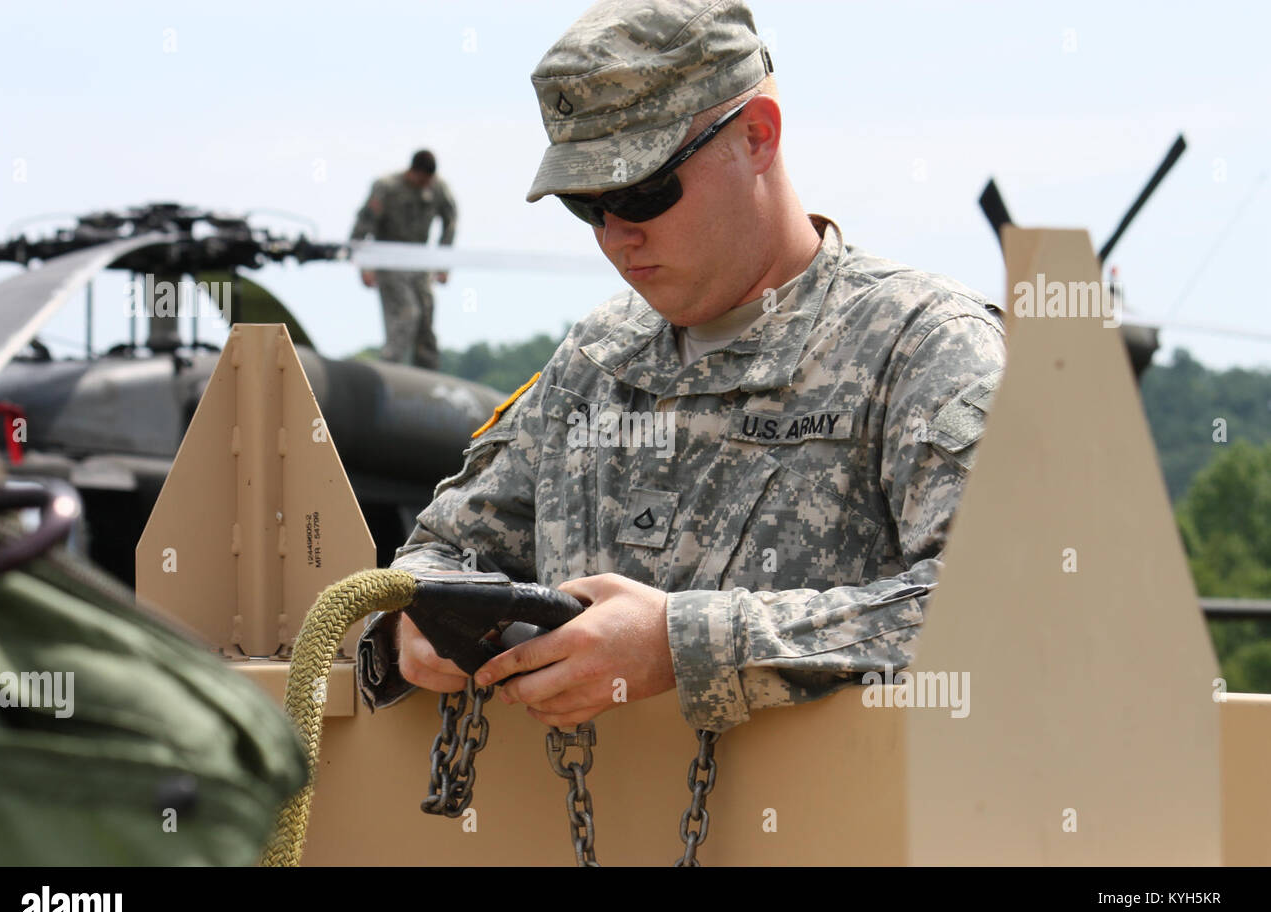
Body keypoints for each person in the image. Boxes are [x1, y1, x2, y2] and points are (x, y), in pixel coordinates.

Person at [357, 0, 1007, 735]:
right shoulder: (595, 360)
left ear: (757, 136)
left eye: (643, 191)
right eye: (587, 206)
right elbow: (439, 552)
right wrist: (420, 623)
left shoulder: (922, 348)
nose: (617, 236)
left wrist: (684, 644)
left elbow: (1004, 608)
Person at [351, 149, 458, 369]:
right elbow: (364, 225)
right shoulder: (387, 187)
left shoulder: (438, 188)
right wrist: (365, 266)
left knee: (426, 320)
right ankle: (392, 367)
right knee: (406, 314)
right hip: (390, 262)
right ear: (413, 172)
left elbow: (451, 220)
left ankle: (427, 373)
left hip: (420, 262)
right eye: (421, 180)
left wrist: (443, 262)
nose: (423, 186)